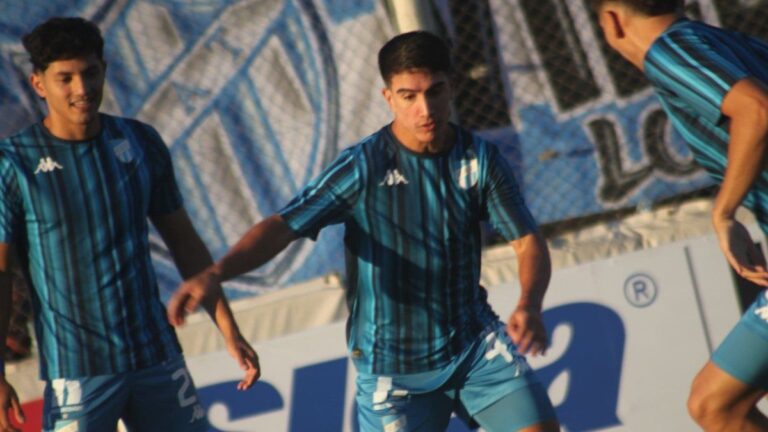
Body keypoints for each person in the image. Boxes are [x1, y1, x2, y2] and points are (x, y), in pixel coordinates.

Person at [169, 30, 560, 431]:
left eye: (435, 91)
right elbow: (283, 226)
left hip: (475, 346)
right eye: (408, 96)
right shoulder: (362, 166)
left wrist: (529, 303)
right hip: (393, 372)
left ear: (452, 87)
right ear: (389, 98)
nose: (425, 108)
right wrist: (217, 272)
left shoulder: (480, 160)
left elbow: (527, 240)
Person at [0, 17, 260, 432]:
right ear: (38, 84)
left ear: (104, 69)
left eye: (90, 73)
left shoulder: (139, 142)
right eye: (64, 78)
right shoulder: (13, 163)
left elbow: (185, 243)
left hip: (155, 355)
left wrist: (229, 329)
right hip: (77, 370)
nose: (81, 89)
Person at [591, 0, 768, 430]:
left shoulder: (670, 50)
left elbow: (757, 110)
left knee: (715, 405)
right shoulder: (726, 41)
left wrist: (724, 212)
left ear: (612, 20)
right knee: (714, 403)